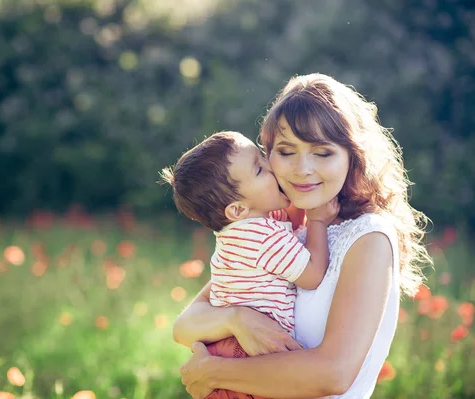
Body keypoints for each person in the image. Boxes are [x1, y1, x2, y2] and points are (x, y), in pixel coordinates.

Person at [173, 73, 432, 399]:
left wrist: (214, 372)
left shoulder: (369, 238)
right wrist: (237, 318)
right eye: (286, 151)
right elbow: (184, 326)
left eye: (322, 153)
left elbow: (334, 374)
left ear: (352, 156)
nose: (302, 169)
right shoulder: (278, 225)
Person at [161, 131, 339, 398]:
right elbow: (312, 274)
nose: (271, 165)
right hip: (247, 355)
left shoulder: (240, 231)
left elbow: (287, 218)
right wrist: (318, 221)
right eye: (259, 169)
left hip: (227, 351)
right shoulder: (261, 236)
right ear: (237, 210)